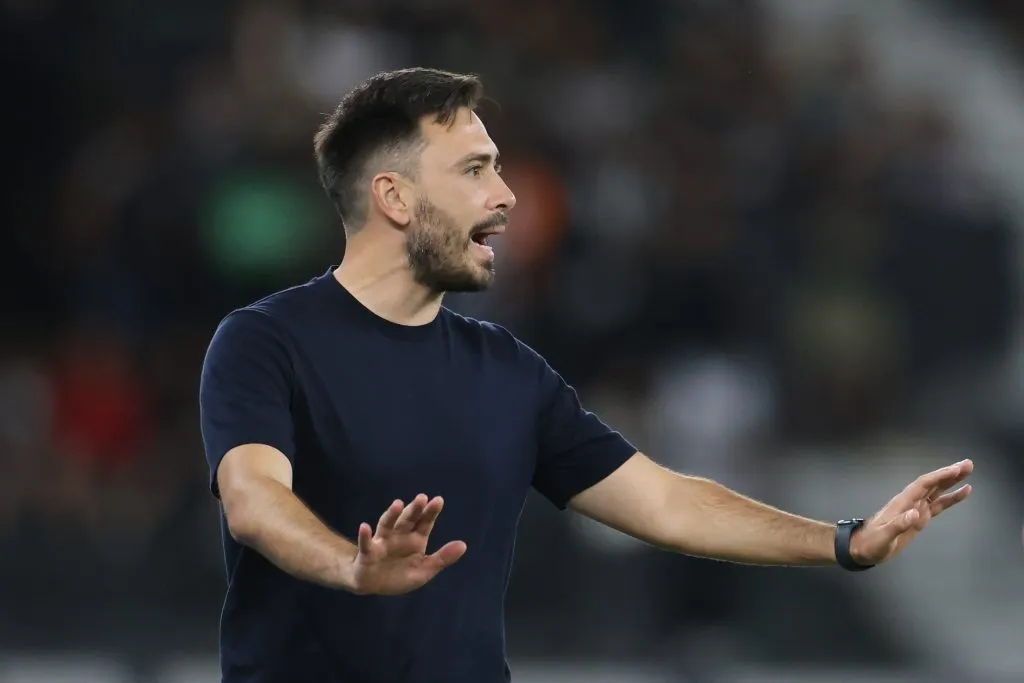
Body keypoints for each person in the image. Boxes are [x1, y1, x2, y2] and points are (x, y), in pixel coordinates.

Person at [198, 67, 973, 683]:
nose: (505, 196)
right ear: (394, 197)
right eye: (474, 170)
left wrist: (846, 541)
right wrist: (353, 566)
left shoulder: (508, 372)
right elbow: (254, 499)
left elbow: (667, 501)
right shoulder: (266, 342)